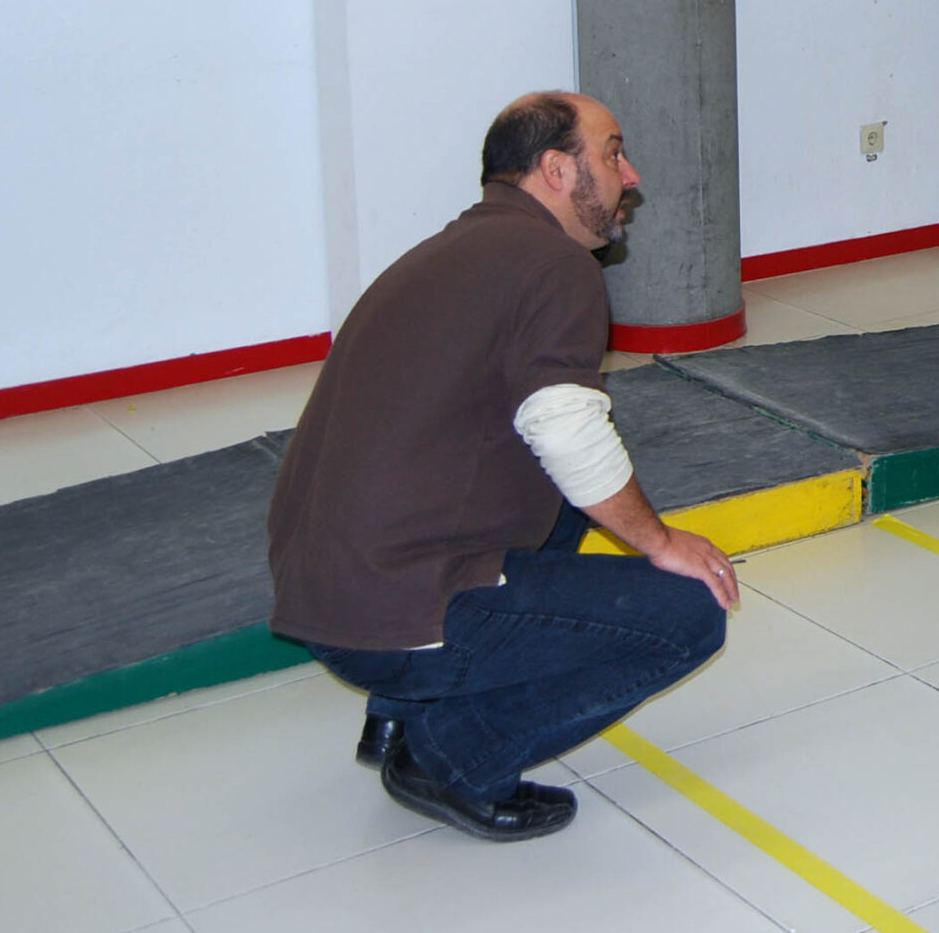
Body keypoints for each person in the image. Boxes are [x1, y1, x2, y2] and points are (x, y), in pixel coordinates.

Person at [267, 92, 739, 842]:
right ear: (557, 170)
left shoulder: (447, 253)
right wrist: (659, 541)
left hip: (330, 592)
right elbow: (565, 426)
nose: (632, 175)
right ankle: (452, 757)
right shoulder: (556, 267)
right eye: (613, 153)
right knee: (689, 612)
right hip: (391, 614)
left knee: (563, 502)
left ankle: (399, 717)